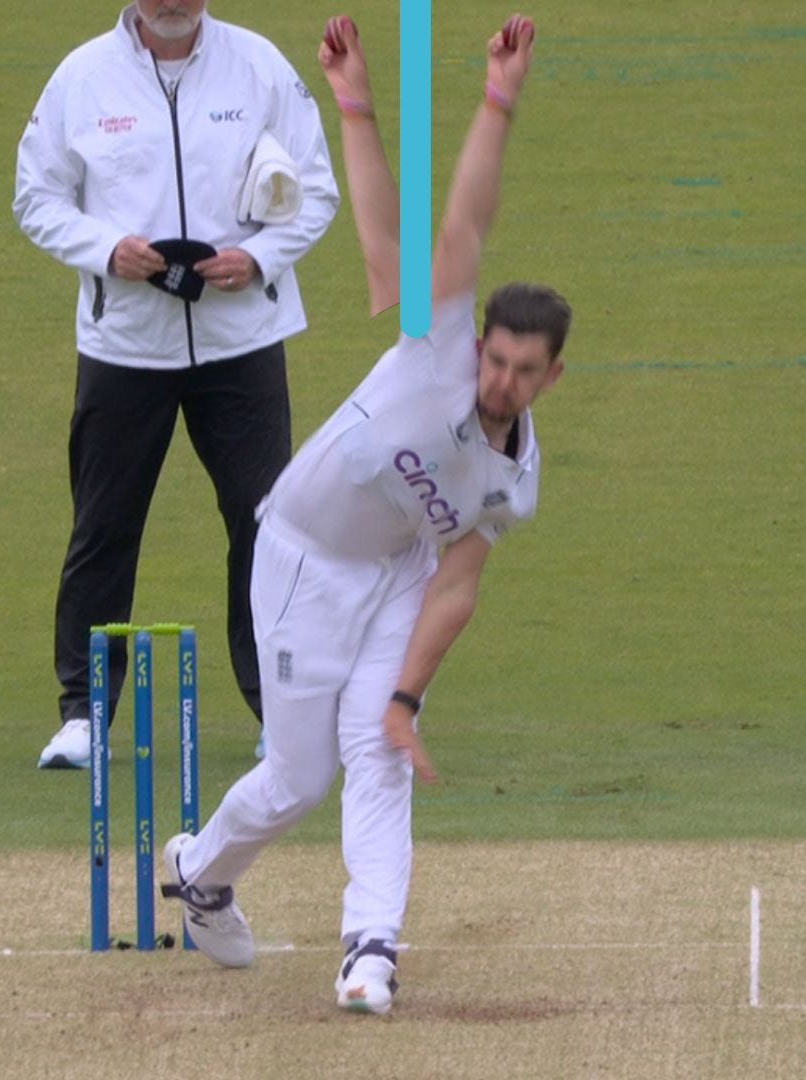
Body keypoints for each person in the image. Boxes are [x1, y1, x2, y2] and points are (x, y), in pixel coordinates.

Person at [157, 13, 569, 1014]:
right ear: (481, 345)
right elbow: (450, 224)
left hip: (395, 576)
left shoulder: (513, 480)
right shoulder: (436, 340)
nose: (502, 381)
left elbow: (456, 585)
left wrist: (406, 699)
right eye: (497, 360)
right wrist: (475, 100)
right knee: (297, 780)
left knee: (380, 756)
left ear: (551, 377)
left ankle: (369, 953)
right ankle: (199, 873)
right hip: (302, 555)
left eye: (525, 371)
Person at [14, 0, 340, 769]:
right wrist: (106, 250)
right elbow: (36, 198)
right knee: (104, 526)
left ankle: (280, 714)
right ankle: (83, 716)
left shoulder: (259, 67)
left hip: (242, 340)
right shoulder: (82, 78)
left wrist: (257, 259)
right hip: (125, 344)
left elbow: (317, 190)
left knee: (267, 529)